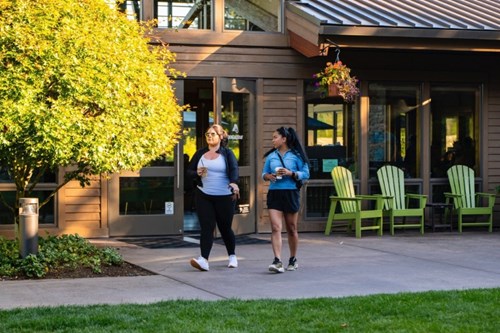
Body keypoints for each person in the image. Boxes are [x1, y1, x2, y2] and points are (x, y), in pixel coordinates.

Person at [186, 124, 240, 271]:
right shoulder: (200, 154)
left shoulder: (227, 153)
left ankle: (232, 256)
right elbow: (188, 172)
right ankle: (204, 260)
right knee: (206, 227)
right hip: (204, 195)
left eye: (213, 134)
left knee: (225, 228)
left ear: (221, 137)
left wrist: (234, 183)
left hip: (224, 196)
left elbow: (234, 170)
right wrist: (196, 172)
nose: (209, 136)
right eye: (207, 134)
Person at [262, 127, 310, 273]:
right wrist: (268, 176)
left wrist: (291, 173)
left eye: (275, 137)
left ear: (284, 139)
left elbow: (306, 174)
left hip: (291, 193)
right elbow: (263, 173)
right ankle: (277, 261)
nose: (273, 140)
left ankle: (292, 259)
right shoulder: (271, 156)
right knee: (276, 227)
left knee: (291, 228)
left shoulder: (296, 155)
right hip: (274, 193)